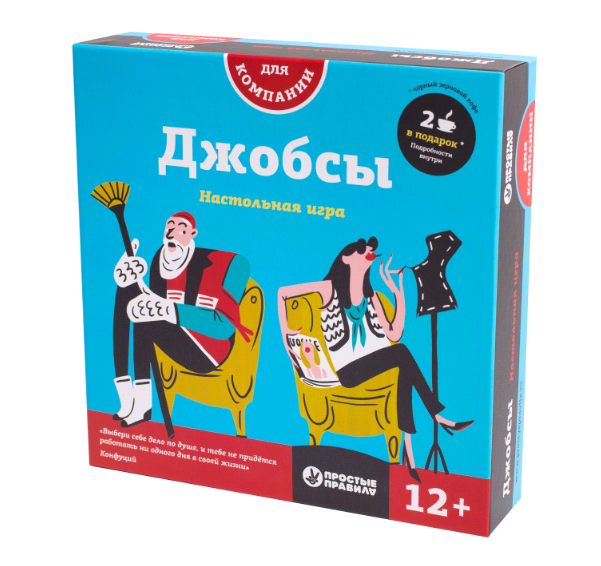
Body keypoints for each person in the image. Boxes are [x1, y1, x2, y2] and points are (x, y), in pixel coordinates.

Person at [278, 237, 472, 483]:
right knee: (401, 354)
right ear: (346, 258)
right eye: (362, 250)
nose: (369, 253)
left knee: (402, 365)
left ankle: (409, 443)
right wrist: (286, 335)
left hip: (372, 367)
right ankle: (436, 416)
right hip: (347, 373)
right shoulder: (329, 289)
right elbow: (283, 293)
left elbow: (394, 334)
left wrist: (398, 293)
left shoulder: (373, 298)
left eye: (371, 251)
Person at [111, 211, 252, 428]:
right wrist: (132, 281)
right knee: (126, 293)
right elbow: (155, 301)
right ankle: (128, 398)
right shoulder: (161, 258)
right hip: (178, 337)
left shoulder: (235, 264)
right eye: (169, 225)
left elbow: (224, 326)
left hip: (209, 351)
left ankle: (142, 404)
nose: (171, 232)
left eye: (181, 228)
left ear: (193, 234)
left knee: (145, 318)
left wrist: (166, 309)